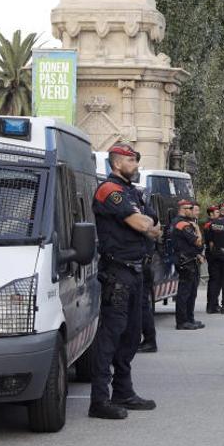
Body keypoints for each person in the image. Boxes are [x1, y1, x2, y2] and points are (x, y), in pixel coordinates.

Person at [89, 143, 159, 420]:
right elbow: (144, 225)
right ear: (118, 163)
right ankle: (99, 400)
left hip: (136, 271)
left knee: (131, 335)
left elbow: (153, 222)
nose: (137, 165)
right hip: (117, 272)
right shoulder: (110, 190)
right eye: (133, 160)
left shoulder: (130, 192)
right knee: (111, 336)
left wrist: (146, 223)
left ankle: (123, 391)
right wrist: (145, 224)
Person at [173, 200, 205, 330]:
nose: (193, 211)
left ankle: (189, 318)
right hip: (185, 261)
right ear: (183, 209)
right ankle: (182, 321)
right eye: (190, 208)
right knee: (185, 292)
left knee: (192, 292)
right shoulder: (182, 224)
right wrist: (197, 229)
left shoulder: (184, 223)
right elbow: (197, 242)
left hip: (190, 260)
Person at [137, 187, 158, 353]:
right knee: (142, 304)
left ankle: (149, 340)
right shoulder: (149, 212)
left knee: (142, 304)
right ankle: (147, 339)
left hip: (141, 265)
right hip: (145, 263)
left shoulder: (142, 214)